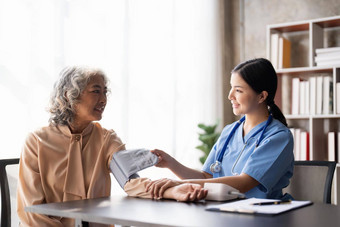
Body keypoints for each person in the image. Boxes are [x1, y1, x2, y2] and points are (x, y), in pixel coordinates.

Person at [17, 66, 207, 227]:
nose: (103, 99)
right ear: (70, 96)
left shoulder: (106, 139)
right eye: (95, 91)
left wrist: (172, 191)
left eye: (105, 91)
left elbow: (130, 181)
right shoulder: (37, 141)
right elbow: (31, 208)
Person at [146, 58, 294, 201]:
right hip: (224, 211)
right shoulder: (230, 131)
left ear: (261, 96)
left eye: (238, 90)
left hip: (262, 215)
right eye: (231, 88)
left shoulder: (279, 137)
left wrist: (179, 184)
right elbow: (206, 178)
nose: (230, 96)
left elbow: (244, 183)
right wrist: (170, 163)